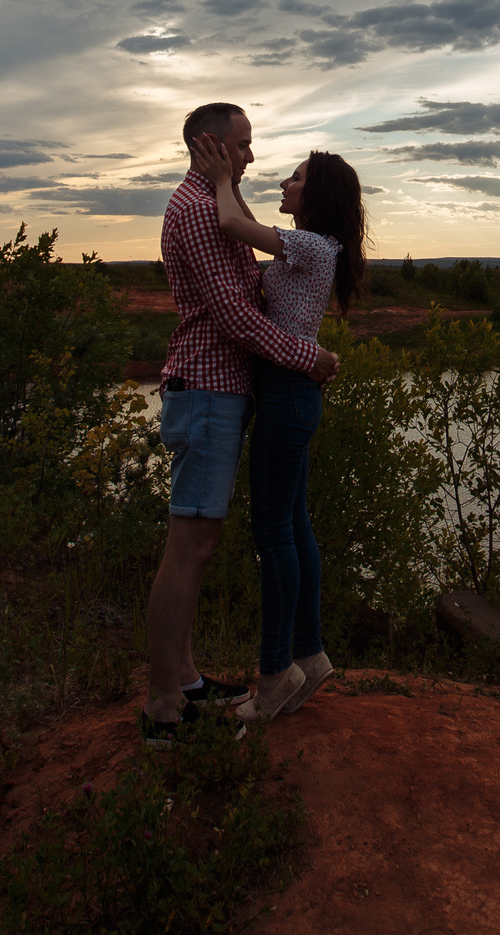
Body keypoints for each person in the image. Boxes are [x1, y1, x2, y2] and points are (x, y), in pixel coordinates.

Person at [142, 102, 340, 748]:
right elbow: (235, 316)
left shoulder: (216, 203)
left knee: (200, 546)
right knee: (189, 547)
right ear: (212, 145)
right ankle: (164, 705)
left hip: (223, 391)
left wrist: (230, 184)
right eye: (244, 146)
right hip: (206, 390)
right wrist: (311, 355)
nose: (253, 157)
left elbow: (250, 266)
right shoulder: (200, 211)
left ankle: (188, 677)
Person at [189, 135, 365, 723]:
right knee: (293, 525)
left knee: (272, 531)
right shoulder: (314, 246)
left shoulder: (313, 247)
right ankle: (309, 656)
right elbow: (247, 221)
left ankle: (273, 673)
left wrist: (220, 179)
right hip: (293, 396)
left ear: (318, 195)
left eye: (295, 178)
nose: (285, 183)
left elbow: (234, 227)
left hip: (287, 396)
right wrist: (232, 184)